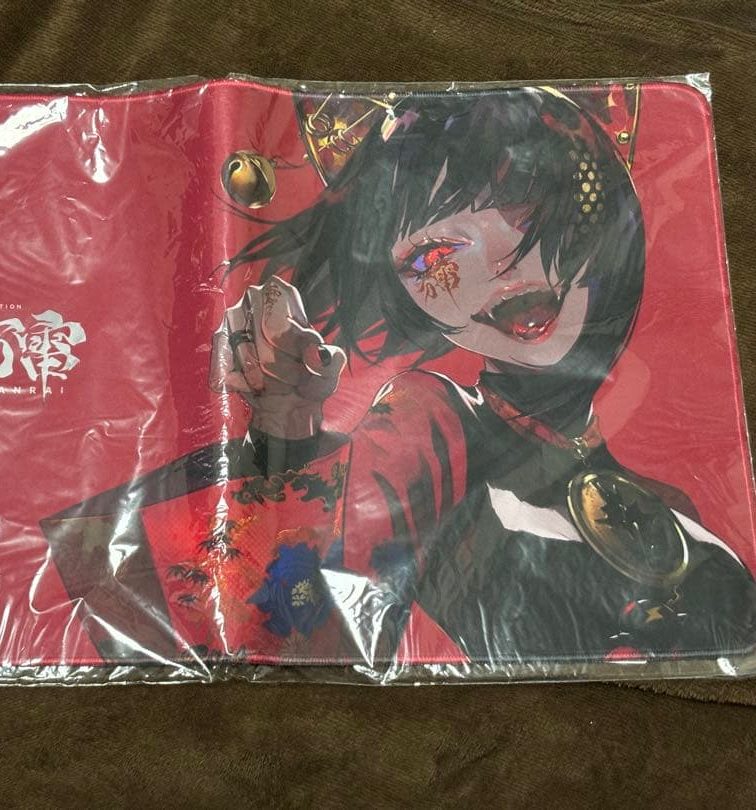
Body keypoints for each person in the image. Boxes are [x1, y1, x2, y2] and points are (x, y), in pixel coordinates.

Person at [42, 87, 756, 670]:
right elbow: (264, 619)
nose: (494, 272)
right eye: (432, 259)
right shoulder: (433, 423)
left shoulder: (675, 499)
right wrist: (283, 438)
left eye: (523, 205)